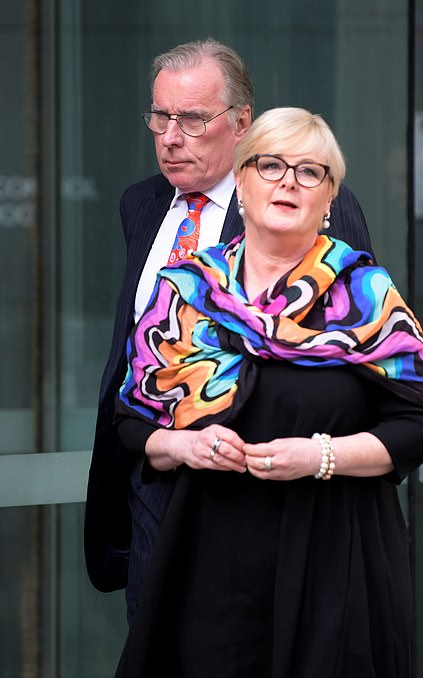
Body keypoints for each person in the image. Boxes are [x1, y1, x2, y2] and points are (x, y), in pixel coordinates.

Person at [105, 107, 423, 678]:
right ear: (243, 179)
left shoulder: (367, 293)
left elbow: (416, 427)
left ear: (329, 196)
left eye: (310, 171)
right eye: (271, 165)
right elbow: (133, 421)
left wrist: (319, 456)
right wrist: (184, 445)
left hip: (335, 560)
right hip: (207, 565)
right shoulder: (186, 288)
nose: (288, 181)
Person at [83, 38, 374, 621]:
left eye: (192, 119)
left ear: (242, 123)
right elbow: (138, 355)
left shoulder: (309, 208)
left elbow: (355, 357)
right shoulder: (140, 205)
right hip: (155, 487)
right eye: (160, 117)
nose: (170, 136)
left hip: (254, 497)